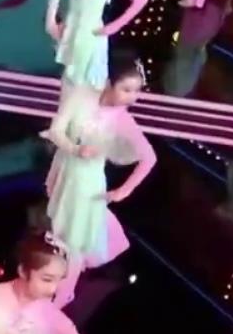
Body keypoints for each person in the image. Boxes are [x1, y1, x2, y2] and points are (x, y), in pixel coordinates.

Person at [43, 61, 157, 307]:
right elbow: (56, 131)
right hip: (65, 170)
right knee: (65, 235)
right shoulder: (81, 97)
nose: (132, 97)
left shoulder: (122, 120)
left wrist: (124, 191)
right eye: (126, 89)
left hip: (88, 183)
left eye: (136, 91)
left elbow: (149, 158)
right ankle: (60, 291)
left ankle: (62, 296)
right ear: (109, 83)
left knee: (74, 241)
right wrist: (75, 149)